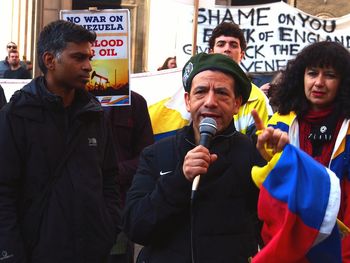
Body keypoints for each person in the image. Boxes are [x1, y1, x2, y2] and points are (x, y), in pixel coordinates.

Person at [123, 52, 288, 262]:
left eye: (221, 93)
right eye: (200, 92)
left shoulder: (253, 153)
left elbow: (281, 227)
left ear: (237, 104)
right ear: (188, 101)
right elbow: (136, 226)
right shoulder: (157, 153)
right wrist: (179, 180)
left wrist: (278, 166)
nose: (210, 102)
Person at [0, 20, 121, 262]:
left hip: (92, 251)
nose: (88, 66)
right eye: (78, 57)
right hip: (35, 253)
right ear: (49, 60)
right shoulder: (16, 116)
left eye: (89, 58)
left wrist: (107, 227)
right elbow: (4, 194)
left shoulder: (95, 114)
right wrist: (11, 254)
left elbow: (109, 178)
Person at [267, 41, 350, 262]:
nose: (319, 82)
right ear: (300, 77)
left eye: (329, 75)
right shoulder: (279, 123)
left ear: (343, 82)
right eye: (312, 73)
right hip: (293, 246)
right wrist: (266, 155)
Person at [104, 89, 154, 263]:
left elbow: (146, 157)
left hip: (117, 208)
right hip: (73, 210)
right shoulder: (70, 100)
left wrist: (113, 173)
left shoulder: (136, 103)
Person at [208, 22, 271, 136]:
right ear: (211, 52)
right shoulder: (193, 91)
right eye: (221, 44)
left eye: (233, 45)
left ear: (241, 55)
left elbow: (261, 149)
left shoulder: (257, 99)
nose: (227, 49)